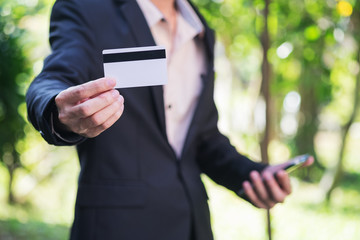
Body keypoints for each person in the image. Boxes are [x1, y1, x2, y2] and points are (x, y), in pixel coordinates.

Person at [26, 0, 313, 239]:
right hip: (117, 228)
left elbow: (202, 138)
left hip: (193, 226)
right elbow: (52, 80)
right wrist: (56, 109)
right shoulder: (87, 9)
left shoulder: (200, 29)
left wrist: (252, 175)